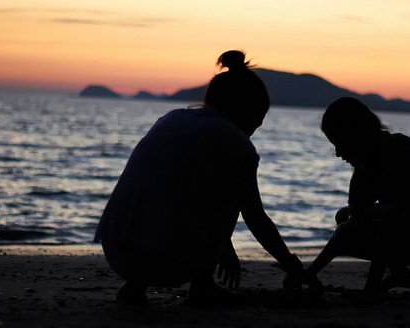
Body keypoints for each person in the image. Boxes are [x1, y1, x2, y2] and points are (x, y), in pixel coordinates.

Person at [94, 50, 314, 304]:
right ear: (248, 111)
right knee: (231, 194)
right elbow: (254, 216)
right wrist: (293, 266)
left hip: (117, 252)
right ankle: (203, 284)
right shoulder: (236, 143)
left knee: (180, 188)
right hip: (168, 262)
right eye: (258, 121)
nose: (255, 130)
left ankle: (135, 286)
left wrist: (223, 247)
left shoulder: (171, 119)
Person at [303, 97, 410, 299]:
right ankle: (401, 274)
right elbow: (358, 212)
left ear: (357, 137)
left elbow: (388, 228)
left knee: (347, 231)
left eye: (340, 144)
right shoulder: (373, 158)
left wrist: (370, 290)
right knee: (345, 216)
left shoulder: (395, 158)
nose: (338, 154)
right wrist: (310, 274)